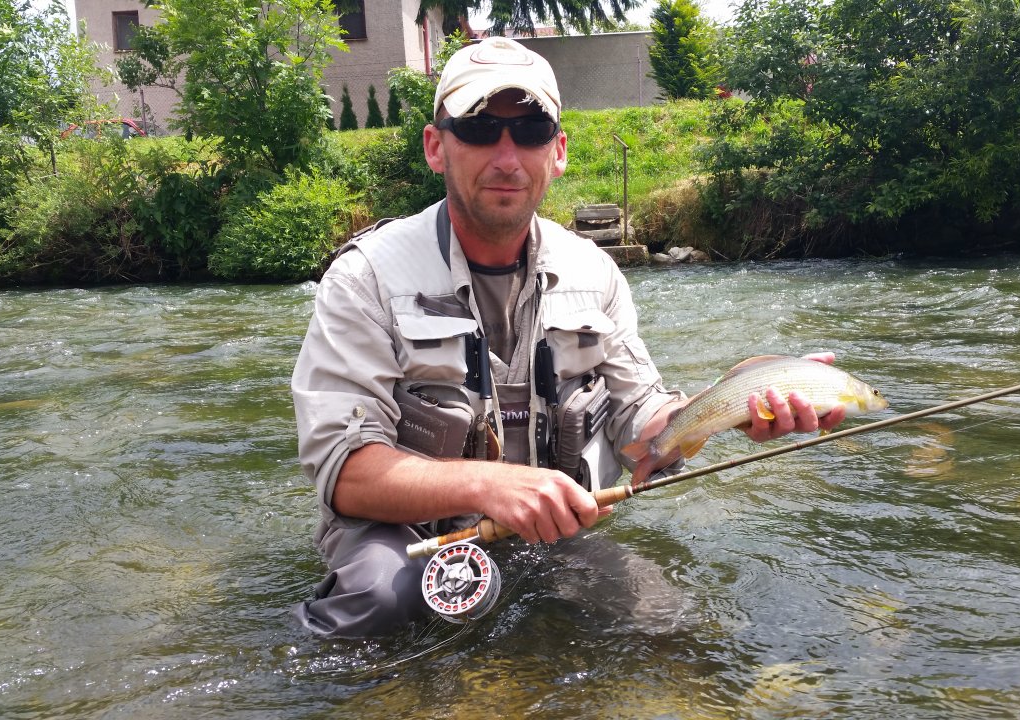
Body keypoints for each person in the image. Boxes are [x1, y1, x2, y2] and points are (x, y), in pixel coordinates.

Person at [290, 36, 846, 637]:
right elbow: (343, 471)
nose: (507, 156)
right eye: (478, 129)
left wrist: (732, 407)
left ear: (556, 152)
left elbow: (642, 419)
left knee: (670, 627)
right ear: (435, 146)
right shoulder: (365, 276)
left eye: (529, 131)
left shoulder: (594, 272)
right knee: (378, 602)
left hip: (548, 530)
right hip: (406, 539)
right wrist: (490, 484)